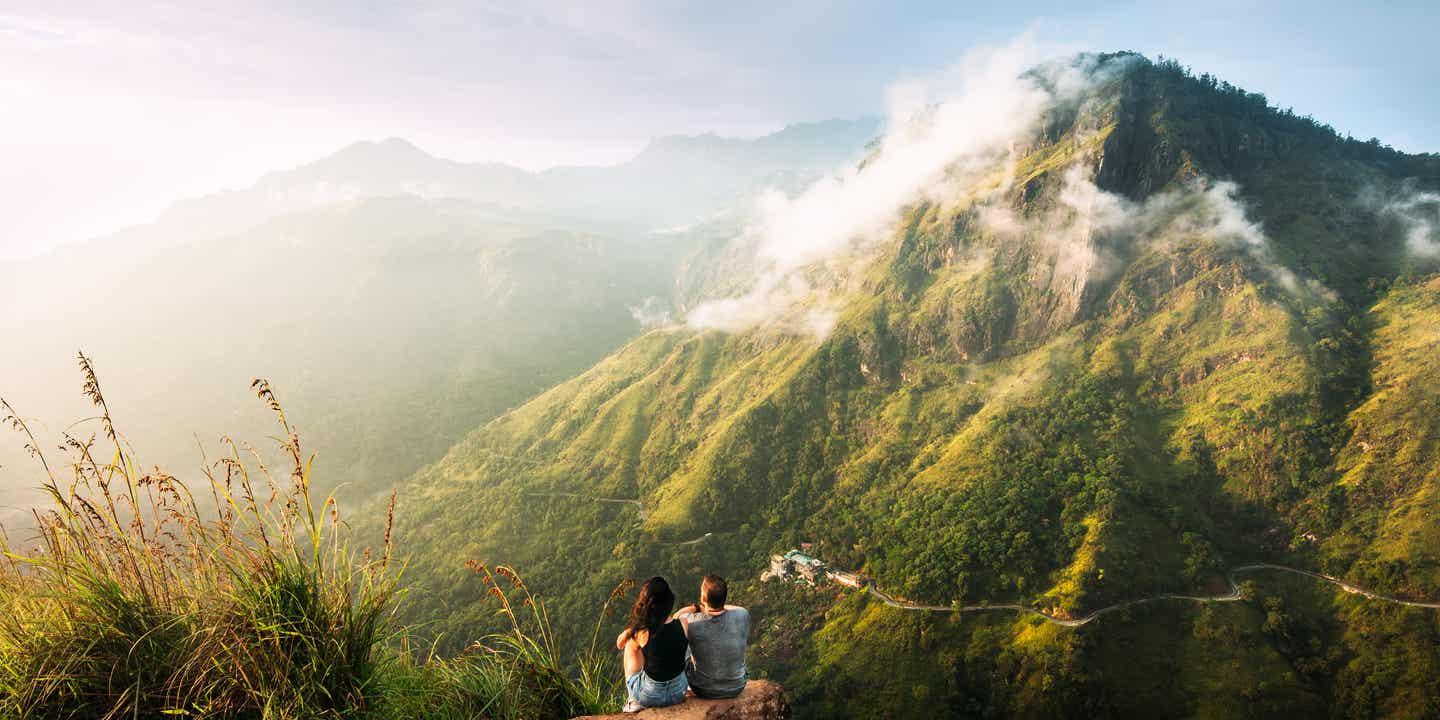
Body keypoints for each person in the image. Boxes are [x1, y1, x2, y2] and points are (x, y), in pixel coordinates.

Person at [617, 576, 689, 712]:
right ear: (669, 601)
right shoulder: (683, 624)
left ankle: (632, 700)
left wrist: (629, 632)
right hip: (678, 693)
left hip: (649, 697)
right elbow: (675, 618)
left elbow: (634, 634)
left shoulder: (641, 633)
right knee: (684, 643)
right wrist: (694, 607)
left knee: (630, 647)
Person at [673, 575, 749, 699]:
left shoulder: (690, 621)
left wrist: (696, 608)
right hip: (737, 687)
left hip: (703, 689)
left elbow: (676, 617)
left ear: (703, 598)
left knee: (684, 643)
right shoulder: (742, 614)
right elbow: (731, 608)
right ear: (724, 597)